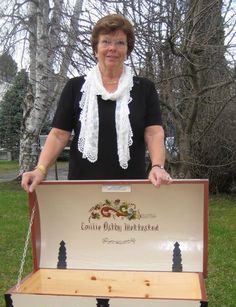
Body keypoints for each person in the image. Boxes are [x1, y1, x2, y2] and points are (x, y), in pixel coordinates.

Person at [21, 14, 172, 193]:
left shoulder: (144, 88)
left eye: (120, 43)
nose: (112, 48)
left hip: (131, 186)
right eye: (106, 41)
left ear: (127, 49)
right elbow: (59, 135)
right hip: (82, 186)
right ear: (96, 48)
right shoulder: (75, 87)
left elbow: (154, 133)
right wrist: (41, 169)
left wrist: (157, 166)